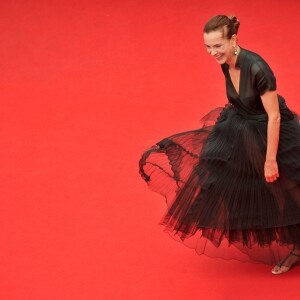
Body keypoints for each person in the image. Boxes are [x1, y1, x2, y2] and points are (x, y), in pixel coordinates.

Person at [139, 15, 300, 275]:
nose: (212, 52)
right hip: (242, 124)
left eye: (218, 46)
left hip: (272, 130)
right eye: (208, 46)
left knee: (290, 184)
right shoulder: (226, 62)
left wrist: (270, 159)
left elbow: (275, 116)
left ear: (233, 40)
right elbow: (238, 99)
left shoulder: (258, 68)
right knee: (235, 178)